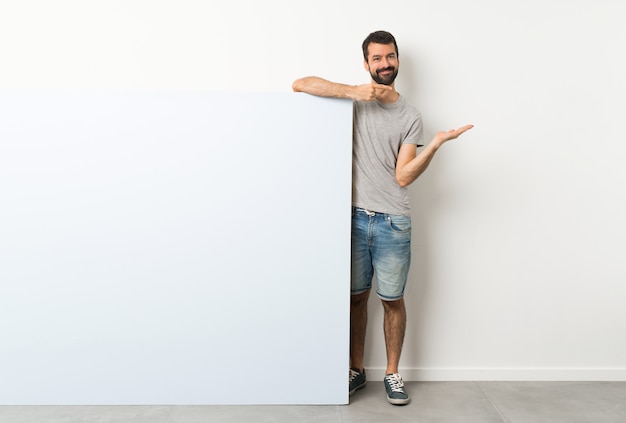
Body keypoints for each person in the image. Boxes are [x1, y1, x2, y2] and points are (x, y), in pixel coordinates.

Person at [292, 30, 472, 406]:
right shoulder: (352, 101)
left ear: (398, 60)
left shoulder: (411, 115)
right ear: (366, 63)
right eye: (377, 58)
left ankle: (392, 373)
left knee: (392, 300)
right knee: (355, 299)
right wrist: (350, 92)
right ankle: (356, 371)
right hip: (352, 220)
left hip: (393, 222)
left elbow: (403, 176)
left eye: (390, 57)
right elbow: (299, 84)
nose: (385, 64)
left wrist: (435, 144)